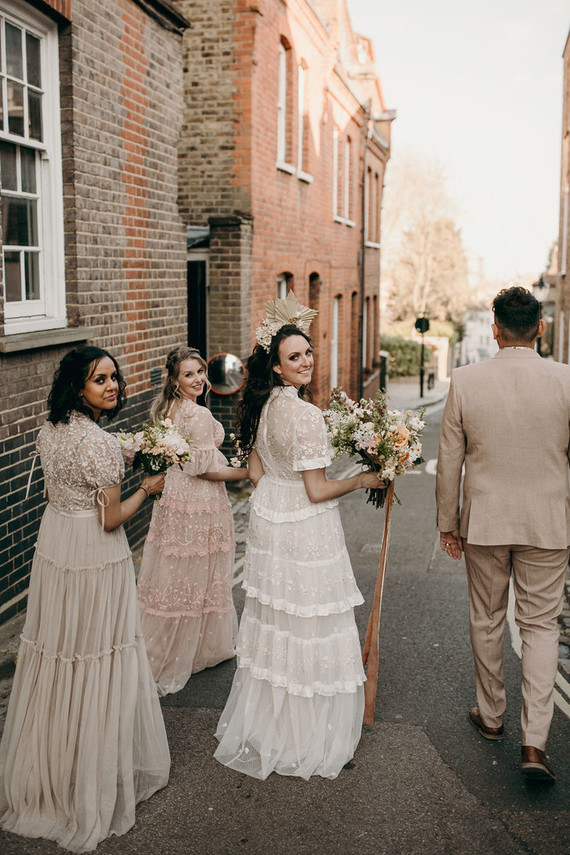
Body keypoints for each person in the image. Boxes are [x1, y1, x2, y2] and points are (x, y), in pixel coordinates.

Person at [0, 346, 170, 853]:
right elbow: (111, 518)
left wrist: (126, 450)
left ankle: (54, 761)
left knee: (60, 650)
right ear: (79, 387)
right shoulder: (95, 443)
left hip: (56, 545)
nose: (113, 386)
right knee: (99, 652)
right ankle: (92, 772)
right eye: (101, 380)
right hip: (94, 554)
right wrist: (149, 487)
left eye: (114, 377)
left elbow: (61, 492)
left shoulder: (48, 430)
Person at [214, 292, 382, 780]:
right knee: (311, 620)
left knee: (280, 621)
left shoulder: (263, 408)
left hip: (272, 522)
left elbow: (256, 471)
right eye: (295, 357)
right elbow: (318, 489)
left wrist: (276, 503)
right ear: (278, 368)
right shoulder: (306, 415)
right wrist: (363, 480)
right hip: (307, 529)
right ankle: (310, 734)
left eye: (307, 352)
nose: (306, 361)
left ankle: (274, 725)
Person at [436, 286, 570, 782]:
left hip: (486, 524)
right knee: (540, 627)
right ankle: (534, 742)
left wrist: (448, 523)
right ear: (540, 328)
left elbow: (449, 460)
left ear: (495, 329)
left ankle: (491, 716)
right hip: (548, 524)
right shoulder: (566, 380)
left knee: (487, 618)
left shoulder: (466, 381)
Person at [137, 346, 244, 696]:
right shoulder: (196, 415)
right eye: (189, 374)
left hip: (174, 499)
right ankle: (193, 650)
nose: (198, 379)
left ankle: (179, 647)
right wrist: (248, 472)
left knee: (174, 574)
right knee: (201, 571)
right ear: (174, 379)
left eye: (200, 372)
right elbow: (208, 471)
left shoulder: (168, 409)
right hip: (199, 502)